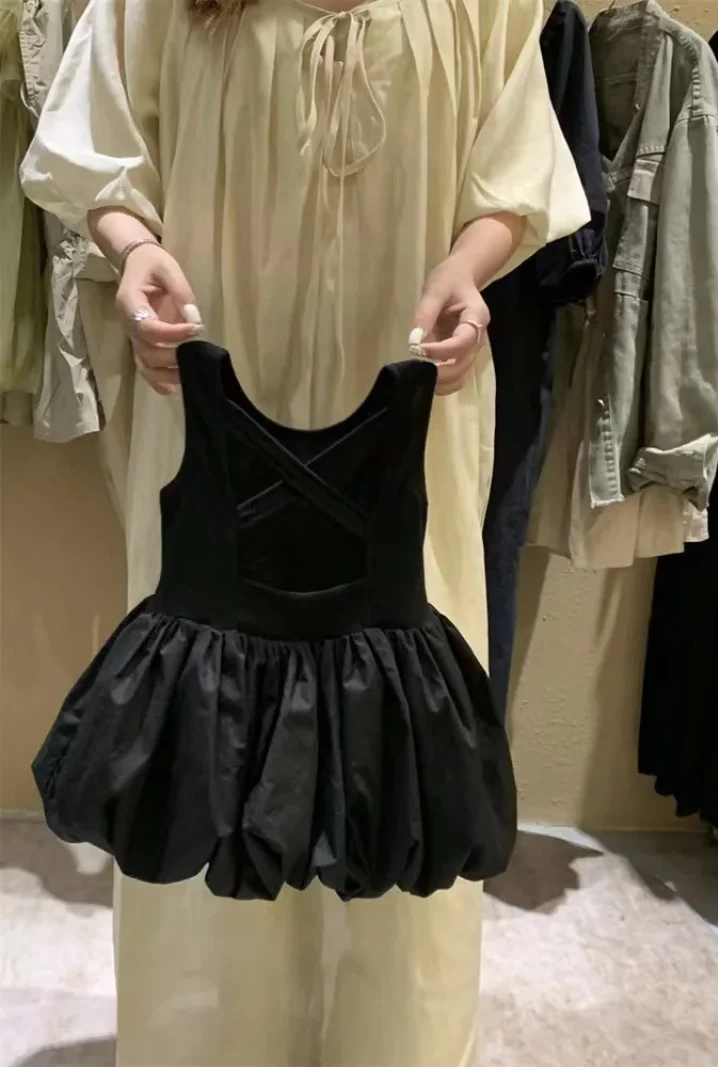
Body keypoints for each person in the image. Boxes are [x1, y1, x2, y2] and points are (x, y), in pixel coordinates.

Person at [22, 0, 588, 1063]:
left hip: (417, 393)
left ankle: (393, 1043)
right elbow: (96, 151)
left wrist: (470, 270)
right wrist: (133, 250)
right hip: (203, 380)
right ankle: (207, 1039)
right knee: (207, 720)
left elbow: (512, 176)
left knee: (401, 731)